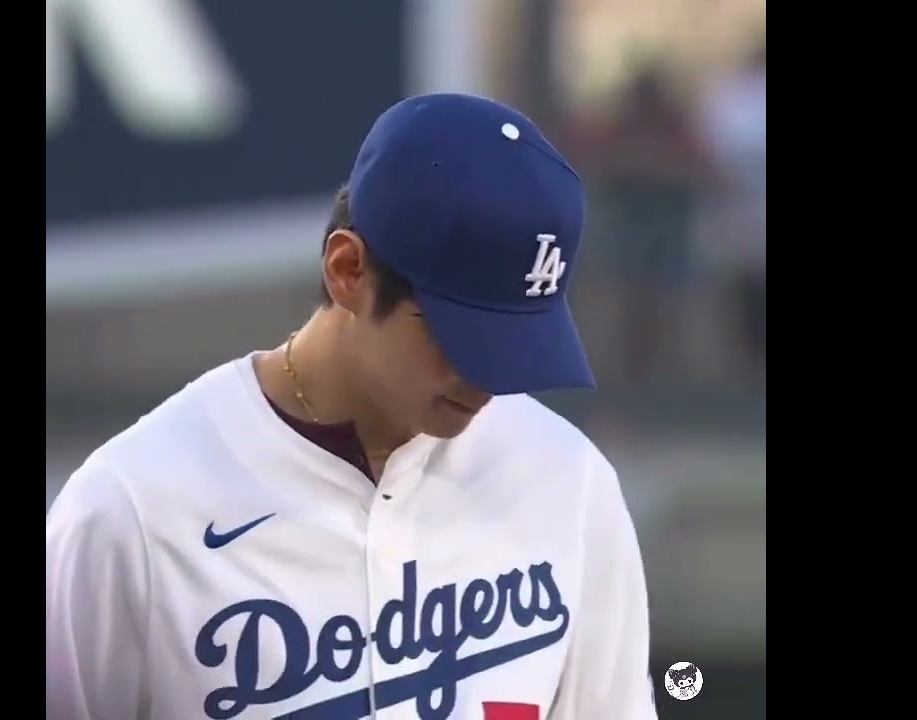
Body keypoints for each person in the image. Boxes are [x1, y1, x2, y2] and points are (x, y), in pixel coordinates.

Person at [46, 93, 658, 720]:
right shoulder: (128, 512)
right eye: (464, 335)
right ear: (348, 270)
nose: (490, 378)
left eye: (519, 341)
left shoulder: (568, 482)